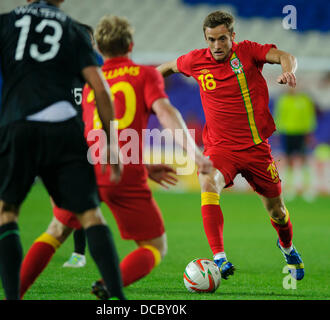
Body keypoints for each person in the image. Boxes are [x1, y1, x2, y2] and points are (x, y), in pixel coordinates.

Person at [19, 14, 213, 300]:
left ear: (99, 49)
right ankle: (111, 283)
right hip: (124, 174)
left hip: (87, 170)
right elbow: (167, 113)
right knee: (154, 246)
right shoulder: (146, 75)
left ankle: (13, 294)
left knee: (56, 229)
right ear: (131, 44)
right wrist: (196, 155)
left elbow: (95, 136)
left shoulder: (90, 86)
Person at [0, 0, 126, 300]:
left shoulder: (2, 22)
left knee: (7, 213)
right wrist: (112, 143)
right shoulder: (73, 29)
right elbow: (100, 88)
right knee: (90, 214)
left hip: (17, 125)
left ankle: (12, 297)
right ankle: (119, 302)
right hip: (64, 130)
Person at [157, 10, 304, 281]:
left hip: (256, 149)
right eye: (211, 40)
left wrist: (287, 72)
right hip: (219, 149)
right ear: (205, 39)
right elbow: (166, 67)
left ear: (232, 36)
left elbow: (287, 56)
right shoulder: (195, 60)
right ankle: (219, 258)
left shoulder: (248, 52)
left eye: (222, 39)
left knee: (278, 212)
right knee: (207, 182)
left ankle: (287, 247)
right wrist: (145, 86)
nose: (216, 46)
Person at [274, 87, 317, 200]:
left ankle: (308, 188)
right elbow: (279, 116)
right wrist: (278, 132)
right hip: (287, 132)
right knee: (289, 160)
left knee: (304, 159)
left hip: (301, 132)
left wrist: (309, 133)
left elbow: (309, 116)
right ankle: (289, 188)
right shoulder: (283, 100)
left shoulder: (305, 100)